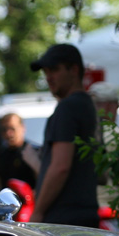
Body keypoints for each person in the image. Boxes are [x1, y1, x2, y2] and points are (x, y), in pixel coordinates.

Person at [28, 43, 100, 226]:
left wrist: (38, 213)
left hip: (63, 220)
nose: (48, 77)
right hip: (85, 216)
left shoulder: (67, 108)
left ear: (74, 69)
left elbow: (61, 166)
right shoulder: (87, 106)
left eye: (54, 70)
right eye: (45, 72)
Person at [0, 113, 39, 218]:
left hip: (28, 211)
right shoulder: (0, 156)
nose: (8, 133)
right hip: (5, 212)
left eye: (12, 128)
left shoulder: (32, 153)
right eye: (4, 129)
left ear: (22, 128)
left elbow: (42, 182)